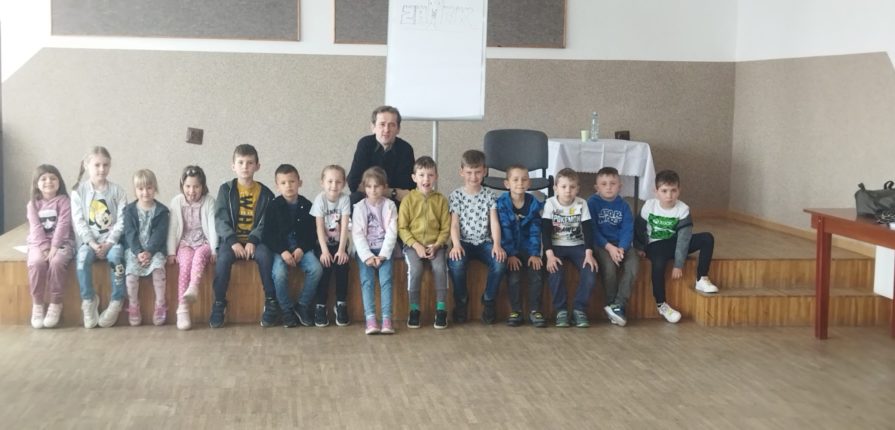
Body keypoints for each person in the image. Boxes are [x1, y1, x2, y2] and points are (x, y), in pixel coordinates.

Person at [209, 144, 276, 328]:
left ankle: (271, 302)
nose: (245, 166)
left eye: (249, 162)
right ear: (233, 166)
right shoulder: (226, 190)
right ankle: (219, 303)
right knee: (223, 261)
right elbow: (220, 219)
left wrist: (253, 240)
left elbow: (266, 222)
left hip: (256, 242)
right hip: (231, 242)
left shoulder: (266, 193)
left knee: (266, 257)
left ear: (257, 166)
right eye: (240, 162)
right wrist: (233, 241)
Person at [638, 169, 718, 324]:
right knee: (658, 263)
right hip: (655, 245)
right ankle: (661, 304)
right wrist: (639, 247)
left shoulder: (683, 209)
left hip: (675, 243)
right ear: (656, 191)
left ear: (679, 191)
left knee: (707, 238)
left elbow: (683, 239)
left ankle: (702, 278)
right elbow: (638, 229)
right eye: (664, 191)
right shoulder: (649, 206)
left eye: (673, 190)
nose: (669, 195)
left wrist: (678, 264)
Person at [71, 146, 128, 328]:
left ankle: (117, 300)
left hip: (112, 242)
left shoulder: (118, 191)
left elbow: (122, 221)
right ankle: (88, 299)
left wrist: (109, 243)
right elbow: (79, 221)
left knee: (117, 259)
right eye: (97, 165)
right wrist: (93, 244)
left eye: (105, 165)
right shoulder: (78, 192)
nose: (102, 169)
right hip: (89, 243)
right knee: (82, 260)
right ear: (87, 165)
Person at [447, 150, 506, 324]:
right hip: (463, 242)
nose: (473, 177)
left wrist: (497, 244)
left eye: (478, 172)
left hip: (484, 242)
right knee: (456, 264)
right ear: (461, 172)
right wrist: (456, 245)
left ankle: (488, 300)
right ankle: (461, 301)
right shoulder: (456, 196)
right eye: (469, 172)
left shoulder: (489, 195)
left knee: (499, 262)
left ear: (485, 171)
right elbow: (454, 224)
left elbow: (494, 222)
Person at [263, 164, 321, 328]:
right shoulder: (273, 206)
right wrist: (282, 251)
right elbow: (268, 235)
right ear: (277, 186)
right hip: (280, 251)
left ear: (299, 183)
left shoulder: (307, 205)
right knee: (279, 273)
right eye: (283, 183)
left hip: (302, 249)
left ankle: (302, 305)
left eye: (292, 181)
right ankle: (286, 309)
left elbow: (312, 233)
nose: (288, 186)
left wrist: (301, 248)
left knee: (316, 269)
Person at [398, 156, 451, 329]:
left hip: (436, 246)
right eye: (421, 175)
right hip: (413, 246)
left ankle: (441, 309)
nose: (426, 179)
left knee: (440, 268)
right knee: (416, 269)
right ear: (414, 177)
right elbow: (402, 228)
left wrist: (437, 244)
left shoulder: (441, 200)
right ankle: (414, 309)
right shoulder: (408, 200)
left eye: (430, 175)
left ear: (436, 177)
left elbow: (446, 228)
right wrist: (416, 245)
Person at [542, 168, 598, 328]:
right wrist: (549, 255)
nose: (568, 190)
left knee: (590, 270)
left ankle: (579, 309)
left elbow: (588, 230)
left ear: (577, 189)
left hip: (577, 245)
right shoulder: (550, 203)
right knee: (555, 272)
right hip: (555, 247)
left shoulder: (582, 203)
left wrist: (589, 253)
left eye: (572, 187)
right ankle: (561, 310)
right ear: (555, 188)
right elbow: (545, 231)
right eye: (563, 186)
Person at [166, 165, 217, 330]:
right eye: (188, 186)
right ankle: (182, 308)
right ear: (182, 185)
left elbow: (213, 227)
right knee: (186, 263)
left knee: (199, 256)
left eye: (196, 186)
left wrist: (214, 250)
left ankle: (194, 286)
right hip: (185, 243)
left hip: (204, 242)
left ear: (203, 186)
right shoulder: (177, 202)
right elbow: (172, 229)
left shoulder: (209, 201)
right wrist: (171, 252)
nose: (192, 191)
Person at [587, 167, 638, 327]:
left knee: (633, 265)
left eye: (613, 183)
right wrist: (609, 247)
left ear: (619, 186)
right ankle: (611, 303)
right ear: (597, 187)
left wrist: (621, 248)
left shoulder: (624, 205)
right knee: (609, 268)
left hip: (621, 245)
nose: (608, 187)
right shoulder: (592, 203)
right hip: (602, 244)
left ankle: (618, 305)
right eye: (604, 184)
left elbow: (627, 229)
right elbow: (592, 230)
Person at [496, 165, 546, 328]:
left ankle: (535, 310)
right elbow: (504, 230)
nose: (520, 183)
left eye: (524, 179)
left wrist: (535, 253)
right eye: (515, 180)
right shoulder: (502, 204)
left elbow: (535, 230)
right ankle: (516, 311)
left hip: (528, 248)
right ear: (507, 184)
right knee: (514, 276)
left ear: (529, 183)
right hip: (510, 250)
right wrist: (510, 254)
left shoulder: (533, 204)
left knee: (536, 273)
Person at [26, 164, 74, 329]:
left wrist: (54, 247)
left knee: (57, 261)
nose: (48, 181)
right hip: (39, 243)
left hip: (62, 242)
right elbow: (36, 227)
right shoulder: (32, 204)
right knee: (36, 262)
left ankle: (55, 303)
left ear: (59, 181)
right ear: (36, 183)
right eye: (44, 179)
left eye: (53, 178)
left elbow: (63, 225)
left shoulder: (65, 201)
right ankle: (37, 304)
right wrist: (45, 248)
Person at [351, 167, 398, 335]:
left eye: (377, 186)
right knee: (367, 282)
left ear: (384, 187)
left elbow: (392, 232)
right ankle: (370, 319)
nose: (373, 190)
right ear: (364, 187)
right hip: (366, 251)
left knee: (386, 281)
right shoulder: (359, 207)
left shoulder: (390, 205)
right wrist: (368, 256)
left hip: (384, 250)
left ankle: (386, 319)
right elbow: (357, 234)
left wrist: (383, 255)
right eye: (369, 186)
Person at [123, 169, 170, 326]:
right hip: (134, 251)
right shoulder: (129, 211)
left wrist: (149, 252)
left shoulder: (162, 211)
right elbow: (129, 233)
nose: (145, 192)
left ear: (155, 187)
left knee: (158, 270)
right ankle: (133, 305)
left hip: (155, 250)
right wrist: (138, 252)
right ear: (135, 190)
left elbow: (160, 234)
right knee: (130, 275)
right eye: (141, 188)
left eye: (149, 188)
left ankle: (160, 304)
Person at [347, 106, 415, 205]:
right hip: (367, 199)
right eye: (382, 124)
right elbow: (353, 183)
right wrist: (392, 192)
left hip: (394, 202)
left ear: (398, 129)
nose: (386, 129)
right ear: (373, 127)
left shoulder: (405, 149)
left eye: (392, 125)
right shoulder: (365, 144)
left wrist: (372, 187)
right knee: (354, 199)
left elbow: (407, 189)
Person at [311, 165, 352, 327]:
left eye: (338, 181)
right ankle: (320, 305)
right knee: (324, 268)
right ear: (322, 182)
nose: (334, 185)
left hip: (339, 243)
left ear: (344, 183)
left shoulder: (345, 199)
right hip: (323, 245)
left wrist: (342, 250)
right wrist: (324, 252)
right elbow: (319, 227)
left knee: (343, 266)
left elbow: (345, 225)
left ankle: (341, 303)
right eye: (330, 181)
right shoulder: (320, 199)